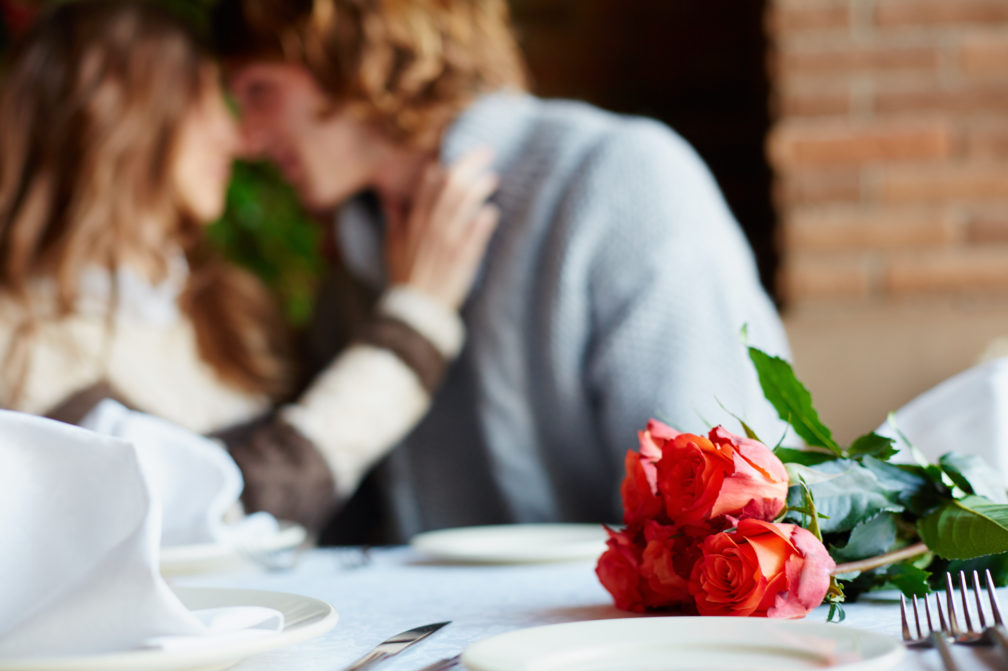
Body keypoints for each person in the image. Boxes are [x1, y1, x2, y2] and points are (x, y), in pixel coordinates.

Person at [213, 0, 794, 544]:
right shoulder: (356, 256)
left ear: (351, 54)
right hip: (430, 638)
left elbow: (724, 522)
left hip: (607, 634)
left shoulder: (621, 178)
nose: (247, 138)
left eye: (260, 91)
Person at [0, 0, 499, 535]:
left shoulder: (231, 307)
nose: (241, 138)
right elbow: (211, 517)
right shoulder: (13, 343)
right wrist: (414, 321)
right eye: (209, 102)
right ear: (124, 117)